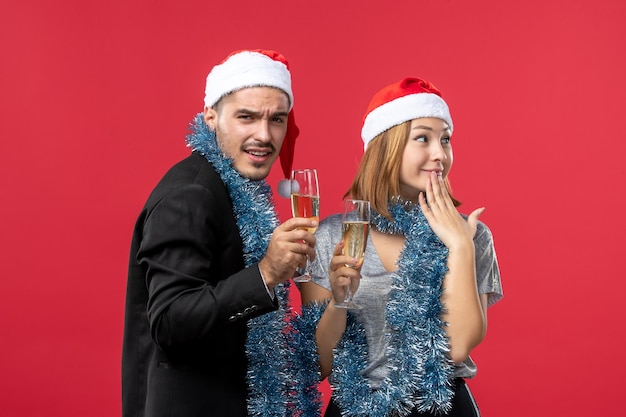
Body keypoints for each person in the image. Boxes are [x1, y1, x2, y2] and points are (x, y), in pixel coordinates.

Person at [122, 49, 317, 417]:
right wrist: (266, 275)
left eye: (277, 119)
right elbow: (170, 322)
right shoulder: (191, 194)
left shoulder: (238, 190)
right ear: (211, 117)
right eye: (247, 117)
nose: (264, 134)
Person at [298, 77, 503, 417]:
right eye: (422, 138)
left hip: (442, 407)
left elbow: (458, 346)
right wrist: (338, 301)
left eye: (446, 140)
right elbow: (317, 364)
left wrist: (459, 248)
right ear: (385, 147)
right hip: (356, 408)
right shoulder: (332, 237)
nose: (439, 154)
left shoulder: (471, 234)